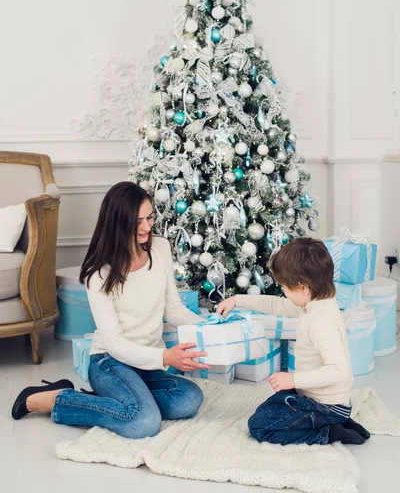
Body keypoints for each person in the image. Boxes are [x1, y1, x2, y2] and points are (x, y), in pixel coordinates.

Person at [12, 181, 209, 439]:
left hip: (147, 363)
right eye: (138, 221)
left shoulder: (160, 248)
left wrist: (207, 326)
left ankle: (120, 399)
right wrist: (164, 358)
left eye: (150, 218)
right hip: (110, 361)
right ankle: (51, 400)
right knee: (143, 422)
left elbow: (172, 308)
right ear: (118, 223)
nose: (147, 227)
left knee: (190, 399)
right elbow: (115, 343)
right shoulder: (99, 273)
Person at [216, 237, 370, 446]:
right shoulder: (315, 302)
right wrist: (238, 300)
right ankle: (336, 422)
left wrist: (294, 380)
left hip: (327, 405)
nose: (284, 293)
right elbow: (276, 305)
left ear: (304, 287)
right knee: (269, 409)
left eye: (285, 288)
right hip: (316, 397)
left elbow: (338, 370)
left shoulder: (321, 322)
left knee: (259, 426)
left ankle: (329, 432)